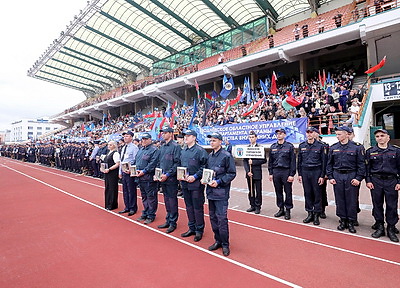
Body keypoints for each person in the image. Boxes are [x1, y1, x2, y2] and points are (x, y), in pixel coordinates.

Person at [326, 126, 366, 233]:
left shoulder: (357, 147)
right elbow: (329, 164)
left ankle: (351, 221)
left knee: (351, 200)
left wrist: (358, 178)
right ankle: (342, 219)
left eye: (339, 134)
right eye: (337, 134)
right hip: (338, 176)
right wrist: (330, 177)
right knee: (340, 199)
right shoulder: (333, 147)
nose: (337, 136)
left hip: (351, 176)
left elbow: (362, 165)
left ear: (346, 134)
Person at [365, 129, 400, 242]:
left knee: (392, 205)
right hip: (376, 181)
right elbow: (367, 168)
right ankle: (379, 225)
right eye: (377, 136)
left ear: (388, 137)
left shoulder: (396, 151)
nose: (380, 138)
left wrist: (399, 182)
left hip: (391, 181)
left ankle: (391, 227)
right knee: (377, 204)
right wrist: (368, 181)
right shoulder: (370, 151)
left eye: (382, 135)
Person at [205, 132, 236, 256]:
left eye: (214, 140)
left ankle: (225, 244)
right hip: (211, 192)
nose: (211, 142)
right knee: (213, 218)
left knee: (222, 219)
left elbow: (232, 173)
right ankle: (217, 240)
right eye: (211, 141)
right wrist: (205, 179)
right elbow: (207, 172)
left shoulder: (226, 156)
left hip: (221, 193)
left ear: (220, 142)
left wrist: (219, 181)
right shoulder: (210, 156)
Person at [180, 129, 208, 242]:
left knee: (197, 207)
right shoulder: (183, 151)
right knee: (189, 206)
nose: (186, 137)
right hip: (185, 183)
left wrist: (195, 176)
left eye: (188, 136)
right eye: (185, 136)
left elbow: (204, 167)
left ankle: (199, 230)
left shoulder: (200, 151)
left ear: (194, 138)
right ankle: (191, 227)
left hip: (196, 184)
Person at [297, 127, 327, 225]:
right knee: (307, 193)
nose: (309, 134)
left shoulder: (320, 146)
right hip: (305, 172)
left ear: (314, 134)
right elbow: (299, 161)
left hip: (316, 172)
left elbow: (323, 162)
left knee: (317, 194)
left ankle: (316, 214)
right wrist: (300, 174)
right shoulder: (302, 146)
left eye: (311, 132)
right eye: (307, 132)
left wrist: (322, 175)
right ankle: (309, 212)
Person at [155, 127, 181, 233]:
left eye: (165, 133)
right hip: (163, 178)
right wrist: (158, 174)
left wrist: (168, 174)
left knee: (172, 200)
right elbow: (160, 162)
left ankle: (173, 222)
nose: (163, 135)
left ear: (171, 134)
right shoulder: (162, 147)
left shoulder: (176, 147)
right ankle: (168, 219)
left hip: (171, 179)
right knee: (166, 200)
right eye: (162, 133)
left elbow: (177, 163)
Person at [268, 128, 296, 220]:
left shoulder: (289, 146)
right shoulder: (273, 146)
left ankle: (288, 209)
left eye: (280, 134)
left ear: (284, 135)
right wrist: (270, 173)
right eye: (277, 134)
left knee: (288, 191)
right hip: (276, 171)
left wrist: (292, 174)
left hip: (286, 171)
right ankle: (281, 208)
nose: (279, 135)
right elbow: (270, 161)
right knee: (278, 191)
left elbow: (293, 162)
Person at [134, 132, 160, 224]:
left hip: (149, 178)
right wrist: (133, 169)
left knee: (151, 197)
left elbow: (153, 163)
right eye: (142, 139)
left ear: (150, 140)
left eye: (145, 139)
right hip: (140, 178)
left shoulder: (154, 150)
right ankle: (146, 212)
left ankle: (151, 214)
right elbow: (136, 161)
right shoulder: (141, 149)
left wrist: (144, 171)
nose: (143, 141)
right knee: (144, 196)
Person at [243, 131, 267, 214]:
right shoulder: (247, 148)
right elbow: (245, 161)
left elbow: (264, 160)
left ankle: (258, 206)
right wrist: (247, 171)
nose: (251, 138)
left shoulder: (260, 148)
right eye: (250, 137)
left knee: (258, 190)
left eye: (253, 137)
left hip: (257, 172)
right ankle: (252, 205)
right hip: (249, 173)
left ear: (256, 138)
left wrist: (253, 162)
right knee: (251, 190)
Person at [118, 130, 139, 216]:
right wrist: (120, 171)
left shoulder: (134, 147)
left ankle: (133, 208)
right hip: (123, 171)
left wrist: (131, 168)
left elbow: (136, 160)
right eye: (124, 136)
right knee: (125, 190)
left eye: (127, 136)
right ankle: (127, 207)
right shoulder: (123, 148)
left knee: (131, 190)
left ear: (131, 137)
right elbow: (121, 160)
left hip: (129, 172)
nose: (125, 137)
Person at [103, 141, 120, 210]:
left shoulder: (115, 153)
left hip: (112, 173)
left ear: (114, 146)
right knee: (107, 187)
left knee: (112, 188)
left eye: (110, 145)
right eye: (108, 145)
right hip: (107, 172)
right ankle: (108, 203)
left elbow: (117, 164)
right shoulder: (108, 153)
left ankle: (113, 204)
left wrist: (109, 169)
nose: (108, 146)